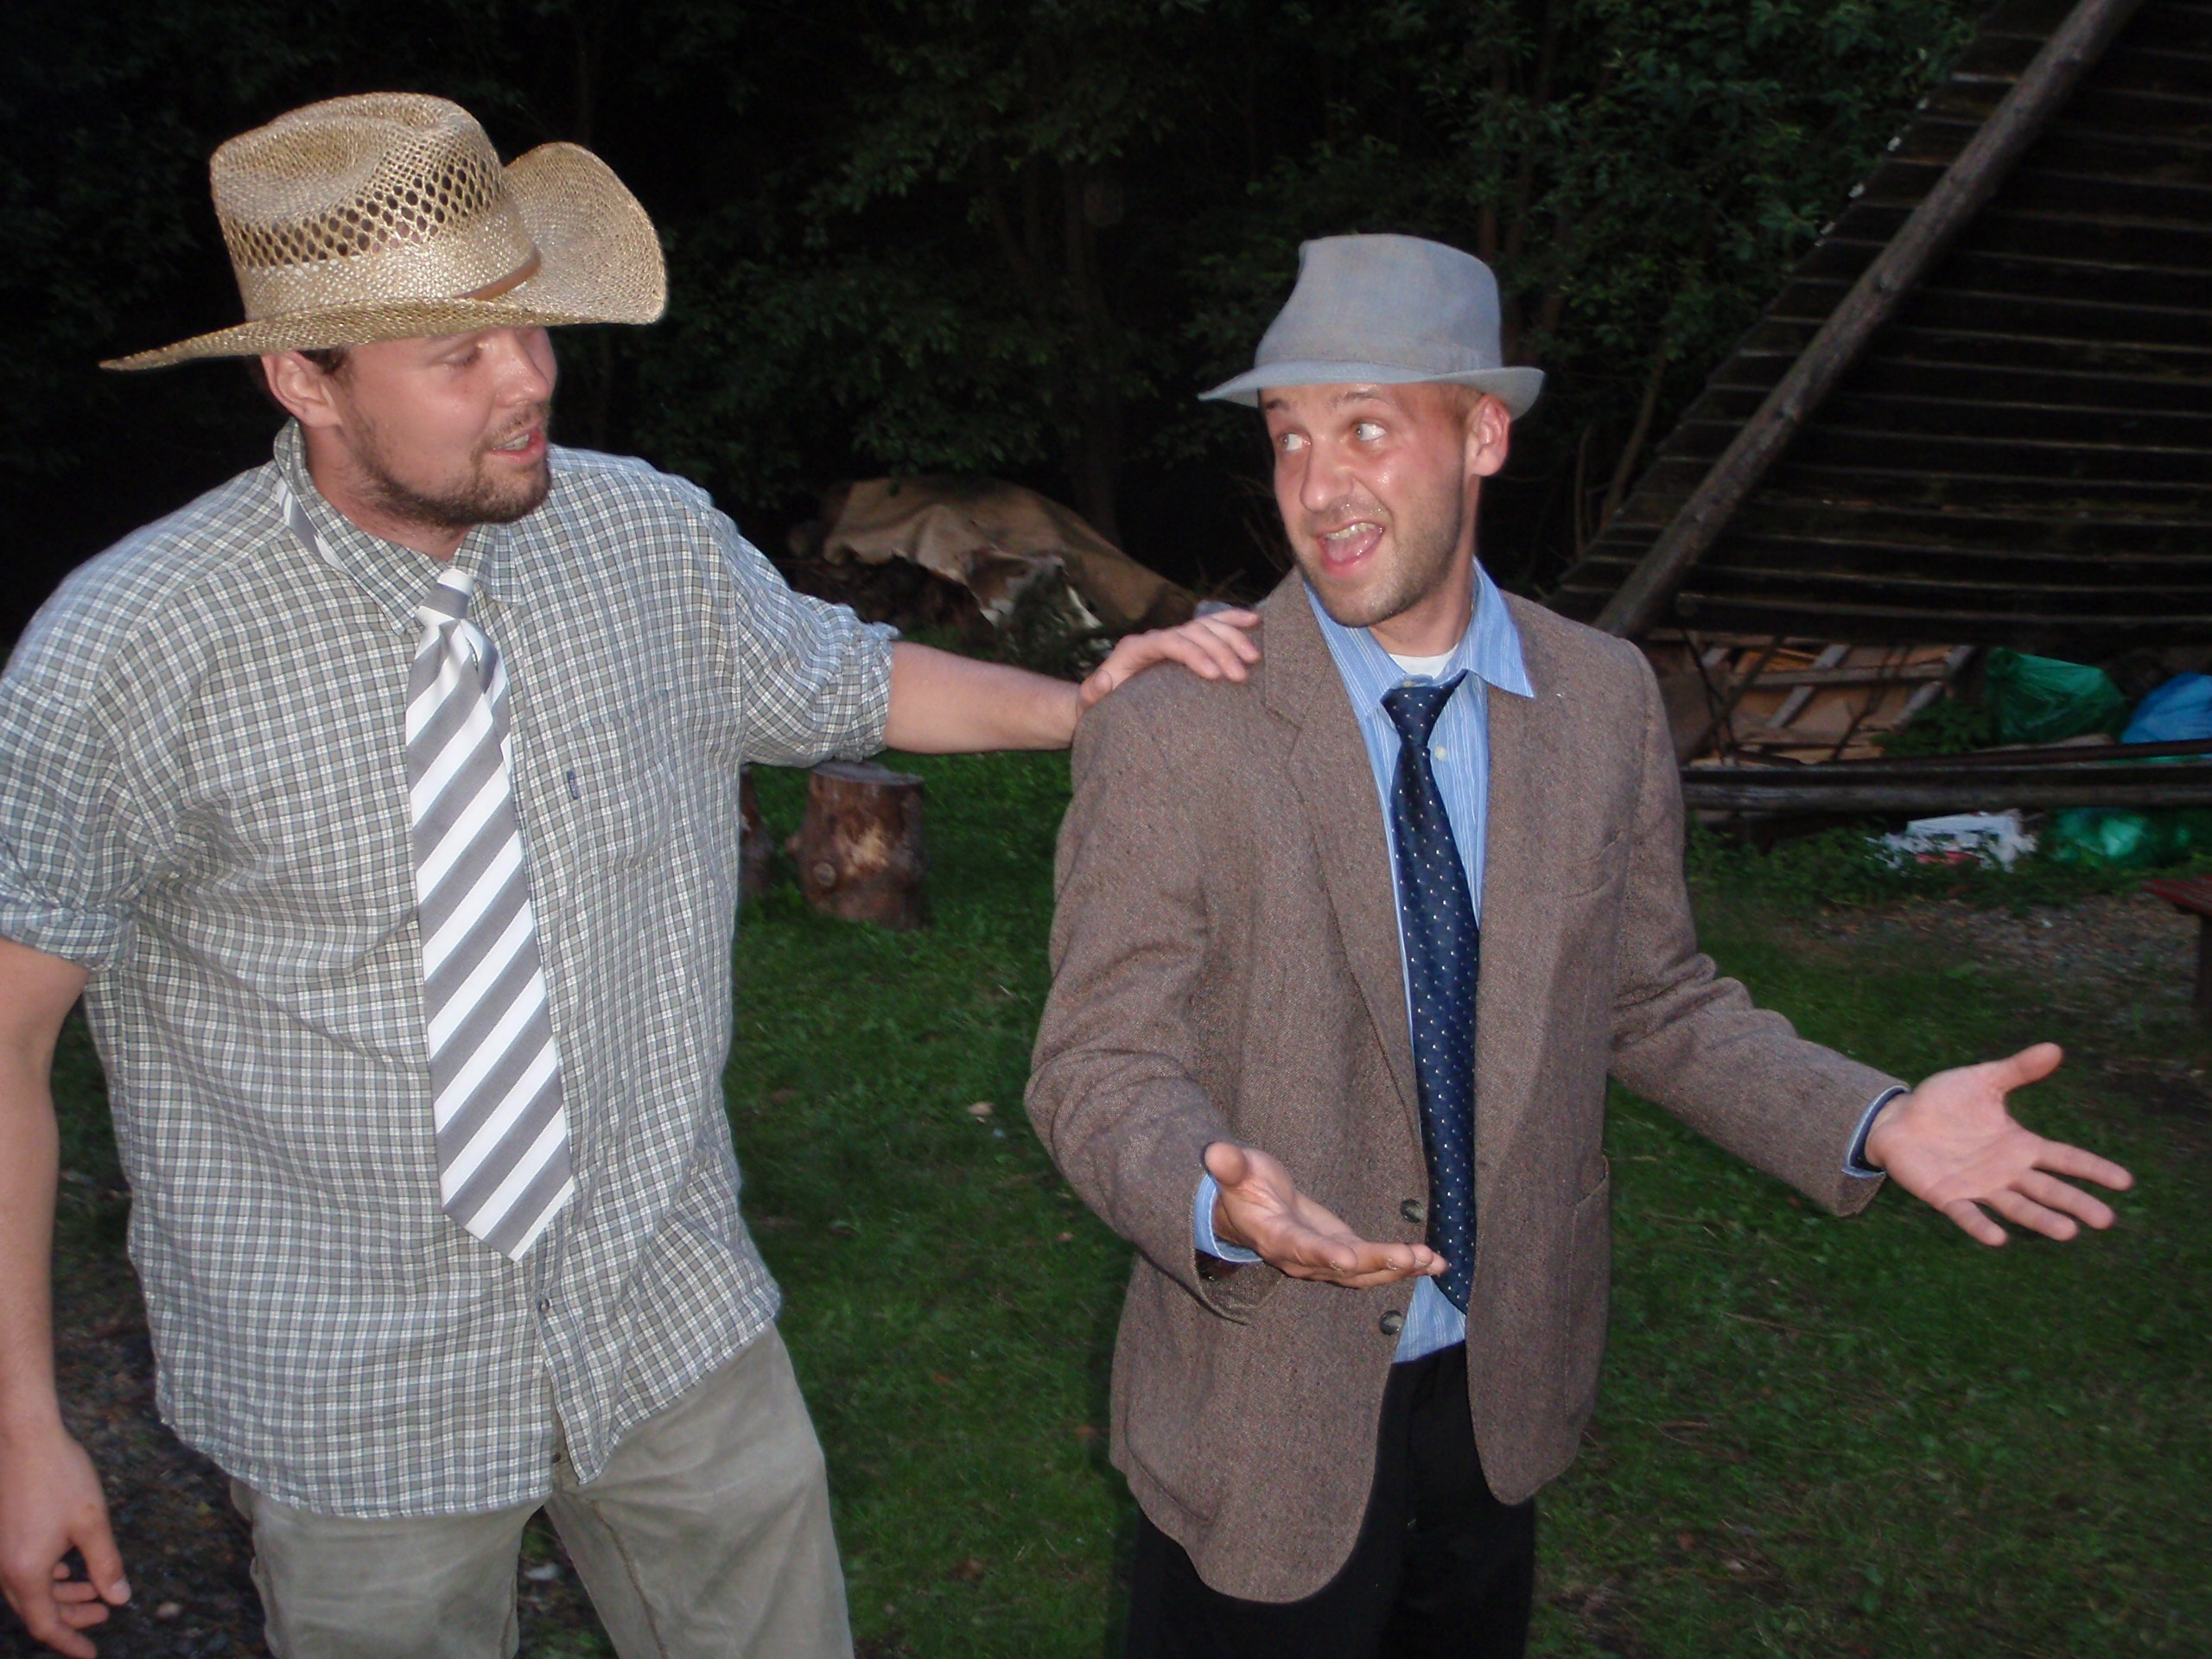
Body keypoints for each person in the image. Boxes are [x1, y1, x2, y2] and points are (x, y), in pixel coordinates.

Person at [0, 93, 1259, 1659]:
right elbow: (9, 1046)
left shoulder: (644, 538)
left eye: (528, 325)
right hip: (347, 1389)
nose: (529, 377)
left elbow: (848, 677)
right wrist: (22, 1427)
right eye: (458, 354)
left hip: (668, 1326)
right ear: (303, 379)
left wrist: (1089, 707)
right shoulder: (129, 650)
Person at [1024, 232, 2135, 1659]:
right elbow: (1098, 1065)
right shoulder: (1178, 727)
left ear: (1484, 434)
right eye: (1289, 435)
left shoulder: (1603, 701)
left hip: (1500, 1396)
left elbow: (1656, 1000)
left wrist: (1874, 1117)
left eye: (1367, 427)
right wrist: (1211, 1198)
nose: (1318, 485)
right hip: (1260, 1413)